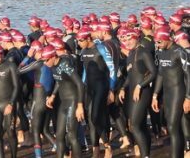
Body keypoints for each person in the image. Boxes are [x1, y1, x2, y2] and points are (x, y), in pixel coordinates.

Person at [151, 27, 190, 158]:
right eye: (156, 42)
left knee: (173, 127)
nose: (157, 44)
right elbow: (160, 75)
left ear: (167, 38)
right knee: (173, 126)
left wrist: (188, 97)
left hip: (179, 93)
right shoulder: (162, 52)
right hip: (167, 94)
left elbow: (189, 75)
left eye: (159, 42)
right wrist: (155, 95)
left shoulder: (180, 52)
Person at [118, 29, 157, 158]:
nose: (127, 42)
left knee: (134, 125)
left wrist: (140, 86)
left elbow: (153, 72)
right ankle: (147, 153)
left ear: (137, 38)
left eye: (130, 39)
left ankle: (145, 155)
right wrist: (123, 88)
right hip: (133, 92)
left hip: (143, 92)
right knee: (141, 125)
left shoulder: (143, 52)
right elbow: (131, 75)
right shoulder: (131, 53)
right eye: (125, 40)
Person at [77, 27, 113, 158]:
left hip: (101, 87)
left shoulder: (100, 48)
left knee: (95, 117)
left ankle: (108, 146)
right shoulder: (83, 51)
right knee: (91, 121)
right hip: (90, 88)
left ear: (88, 38)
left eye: (81, 40)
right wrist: (83, 86)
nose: (79, 43)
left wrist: (111, 89)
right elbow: (85, 72)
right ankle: (96, 149)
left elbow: (112, 69)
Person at [45, 42, 85, 158]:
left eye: (46, 60)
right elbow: (59, 80)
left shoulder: (65, 64)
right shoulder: (52, 66)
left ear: (53, 57)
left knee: (72, 136)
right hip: (64, 102)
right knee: (59, 135)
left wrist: (80, 105)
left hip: (73, 101)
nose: (45, 63)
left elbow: (80, 84)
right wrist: (52, 95)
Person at [18, 43, 56, 157]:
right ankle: (59, 147)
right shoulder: (53, 63)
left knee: (35, 131)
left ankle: (38, 156)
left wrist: (27, 57)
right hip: (49, 100)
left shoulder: (38, 63)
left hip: (38, 101)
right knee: (44, 130)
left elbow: (18, 70)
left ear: (35, 51)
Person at [0, 44, 19, 158]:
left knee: (11, 133)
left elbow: (17, 87)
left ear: (2, 55)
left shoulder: (10, 66)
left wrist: (11, 104)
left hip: (8, 104)